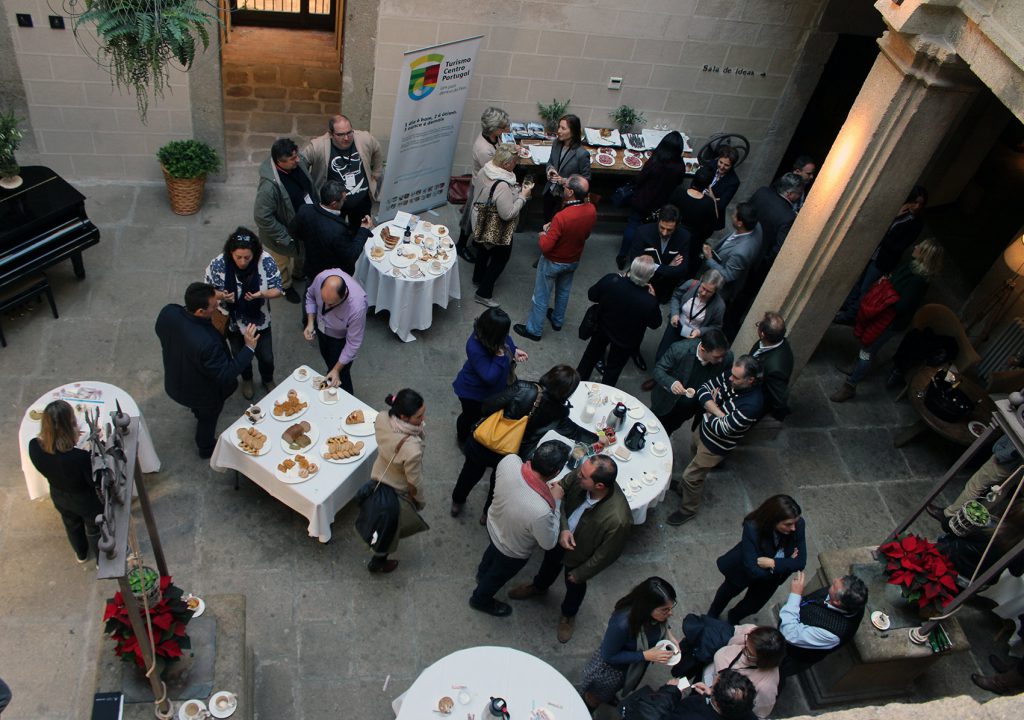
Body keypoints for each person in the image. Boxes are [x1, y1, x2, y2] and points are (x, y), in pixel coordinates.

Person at [507, 455, 633, 644]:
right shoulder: (581, 476)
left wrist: (581, 573)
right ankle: (539, 587)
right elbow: (560, 490)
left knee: (574, 586)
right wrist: (564, 528)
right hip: (559, 538)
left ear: (599, 486)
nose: (577, 476)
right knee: (548, 565)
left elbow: (607, 554)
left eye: (583, 476)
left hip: (580, 557)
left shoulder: (618, 519)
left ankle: (568, 615)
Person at [451, 365, 597, 522]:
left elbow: (487, 406)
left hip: (484, 443)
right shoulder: (560, 413)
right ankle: (487, 514)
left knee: (469, 473)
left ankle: (457, 503)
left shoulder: (523, 388)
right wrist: (597, 439)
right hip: (512, 455)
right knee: (499, 484)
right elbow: (573, 431)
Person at [831, 237, 944, 402]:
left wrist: (885, 294)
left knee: (868, 351)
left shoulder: (917, 280)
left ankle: (850, 386)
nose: (916, 245)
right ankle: (855, 367)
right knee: (867, 344)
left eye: (920, 246)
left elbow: (901, 305)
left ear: (924, 255)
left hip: (889, 321)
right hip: (883, 316)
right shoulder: (912, 267)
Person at [468, 440, 570, 617]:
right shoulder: (542, 510)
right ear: (556, 472)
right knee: (497, 576)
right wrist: (557, 500)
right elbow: (548, 542)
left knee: (491, 554)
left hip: (494, 524)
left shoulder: (510, 461)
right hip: (512, 549)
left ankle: (482, 573)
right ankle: (480, 599)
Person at [156, 283, 259, 458]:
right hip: (202, 394)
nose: (216, 307)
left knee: (200, 411)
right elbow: (225, 373)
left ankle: (196, 412)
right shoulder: (207, 342)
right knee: (207, 420)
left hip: (175, 381)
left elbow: (160, 331)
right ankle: (206, 448)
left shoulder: (169, 313)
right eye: (213, 306)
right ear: (200, 312)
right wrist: (249, 348)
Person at [668, 356, 765, 526]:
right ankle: (683, 488)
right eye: (732, 375)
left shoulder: (752, 405)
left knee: (692, 476)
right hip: (703, 431)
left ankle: (688, 509)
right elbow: (703, 390)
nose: (729, 378)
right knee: (693, 461)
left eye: (735, 377)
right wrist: (720, 413)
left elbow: (723, 429)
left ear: (750, 380)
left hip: (714, 446)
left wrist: (710, 408)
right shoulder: (733, 376)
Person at [514, 174, 596, 342]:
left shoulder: (562, 217)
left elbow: (545, 246)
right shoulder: (591, 209)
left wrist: (544, 234)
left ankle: (534, 330)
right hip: (573, 259)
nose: (563, 187)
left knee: (541, 296)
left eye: (565, 186)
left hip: (553, 261)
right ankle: (557, 320)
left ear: (571, 192)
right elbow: (585, 234)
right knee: (564, 291)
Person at [203, 228, 283, 400]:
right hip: (233, 321)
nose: (242, 262)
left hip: (259, 320)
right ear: (230, 252)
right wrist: (223, 295)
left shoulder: (265, 261)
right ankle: (247, 379)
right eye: (238, 257)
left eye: (247, 257)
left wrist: (262, 294)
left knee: (266, 356)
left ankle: (267, 379)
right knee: (240, 354)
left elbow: (277, 289)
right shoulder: (218, 264)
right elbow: (208, 290)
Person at [576, 577, 679, 709]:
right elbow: (609, 656)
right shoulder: (621, 624)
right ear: (648, 606)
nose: (670, 613)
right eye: (665, 610)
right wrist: (645, 656)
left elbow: (662, 624)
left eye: (671, 607)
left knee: (611, 692)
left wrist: (669, 635)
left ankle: (608, 696)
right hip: (611, 672)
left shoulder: (652, 615)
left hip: (628, 669)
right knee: (595, 698)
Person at [835, 186, 927, 325]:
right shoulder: (900, 211)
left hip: (884, 259)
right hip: (872, 253)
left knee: (866, 288)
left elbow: (899, 246)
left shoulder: (916, 223)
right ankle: (846, 307)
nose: (917, 206)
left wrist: (883, 237)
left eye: (921, 204)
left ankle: (849, 316)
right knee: (857, 283)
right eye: (915, 202)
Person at [708, 494, 807, 624]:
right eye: (788, 524)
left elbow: (800, 562)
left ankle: (732, 618)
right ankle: (712, 614)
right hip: (743, 570)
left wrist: (772, 563)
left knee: (752, 606)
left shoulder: (798, 524)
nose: (793, 528)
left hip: (771, 579)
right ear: (773, 520)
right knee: (727, 592)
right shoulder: (752, 527)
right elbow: (753, 569)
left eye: (795, 523)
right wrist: (787, 563)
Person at [28, 400, 103, 564]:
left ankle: (81, 553)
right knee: (94, 528)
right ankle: (100, 559)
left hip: (59, 495)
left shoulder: (34, 446)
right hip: (85, 500)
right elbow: (93, 481)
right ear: (69, 427)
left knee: (72, 525)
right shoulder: (79, 458)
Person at [364, 389, 427, 573]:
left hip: (378, 475)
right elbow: (414, 482)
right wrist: (419, 501)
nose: (423, 419)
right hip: (396, 490)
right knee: (388, 530)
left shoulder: (383, 418)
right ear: (403, 416)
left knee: (378, 519)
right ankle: (378, 561)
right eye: (418, 416)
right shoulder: (412, 448)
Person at [577, 256, 663, 388]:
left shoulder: (612, 281)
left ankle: (576, 387)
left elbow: (592, 295)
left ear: (631, 269)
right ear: (650, 276)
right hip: (626, 340)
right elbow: (655, 323)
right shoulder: (649, 301)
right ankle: (604, 396)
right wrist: (653, 298)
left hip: (602, 329)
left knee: (589, 358)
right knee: (613, 370)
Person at [254, 137, 318, 303]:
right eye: (292, 159)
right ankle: (285, 286)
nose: (299, 159)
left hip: (303, 227)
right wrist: (285, 236)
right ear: (279, 162)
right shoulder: (269, 187)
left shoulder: (298, 162)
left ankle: (299, 274)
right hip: (282, 236)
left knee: (302, 255)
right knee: (281, 264)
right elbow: (262, 217)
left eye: (297, 155)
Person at [452, 308, 528, 446]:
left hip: (491, 392)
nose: (506, 334)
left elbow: (506, 341)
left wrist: (514, 351)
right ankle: (462, 438)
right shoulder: (474, 346)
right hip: (473, 394)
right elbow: (489, 377)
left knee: (482, 416)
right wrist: (500, 357)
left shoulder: (494, 336)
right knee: (469, 417)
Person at [470, 144, 533, 307]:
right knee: (500, 258)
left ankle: (478, 278)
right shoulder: (503, 185)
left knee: (484, 250)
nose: (516, 163)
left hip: (479, 220)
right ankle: (483, 293)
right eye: (515, 161)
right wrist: (522, 197)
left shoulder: (485, 170)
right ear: (506, 164)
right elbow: (508, 214)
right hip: (495, 227)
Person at [615, 131, 687, 269]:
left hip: (642, 200)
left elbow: (640, 179)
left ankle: (622, 255)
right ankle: (638, 259)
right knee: (650, 231)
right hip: (660, 204)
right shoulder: (679, 166)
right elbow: (678, 183)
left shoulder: (655, 161)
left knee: (632, 226)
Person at [301, 114, 384, 229]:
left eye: (349, 132)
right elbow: (300, 164)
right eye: (340, 134)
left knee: (361, 231)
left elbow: (377, 150)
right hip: (334, 204)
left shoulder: (364, 138)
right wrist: (308, 189)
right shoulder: (317, 146)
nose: (346, 138)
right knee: (334, 233)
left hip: (361, 201)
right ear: (331, 134)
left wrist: (376, 172)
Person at [779, 571, 868, 677]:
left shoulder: (832, 634)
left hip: (789, 654)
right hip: (788, 629)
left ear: (837, 602)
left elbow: (790, 633)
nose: (834, 580)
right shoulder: (842, 599)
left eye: (834, 586)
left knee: (776, 673)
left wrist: (795, 595)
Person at [650, 329, 732, 437]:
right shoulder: (680, 349)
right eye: (717, 357)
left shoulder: (727, 358)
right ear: (703, 349)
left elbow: (724, 380)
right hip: (665, 402)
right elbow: (658, 370)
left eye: (722, 356)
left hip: (688, 410)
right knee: (651, 427)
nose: (721, 360)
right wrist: (672, 383)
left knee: (668, 431)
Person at [288, 179, 374, 279]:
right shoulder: (337, 230)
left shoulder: (305, 210)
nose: (345, 201)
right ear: (334, 204)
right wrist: (363, 229)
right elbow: (351, 256)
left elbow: (292, 231)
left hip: (311, 266)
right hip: (331, 276)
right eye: (343, 200)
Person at [457, 106, 511, 262]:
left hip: (485, 184)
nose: (506, 129)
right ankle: (461, 246)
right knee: (469, 218)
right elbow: (495, 171)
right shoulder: (483, 149)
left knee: (471, 215)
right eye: (503, 127)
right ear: (494, 129)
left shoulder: (493, 138)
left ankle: (472, 241)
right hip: (481, 186)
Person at [303, 269, 368, 394]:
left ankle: (347, 400)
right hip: (321, 330)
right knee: (328, 361)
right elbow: (310, 296)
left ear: (343, 297)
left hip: (340, 340)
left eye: (331, 304)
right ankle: (330, 377)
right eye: (323, 300)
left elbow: (353, 343)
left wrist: (337, 369)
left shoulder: (357, 307)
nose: (326, 305)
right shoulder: (321, 278)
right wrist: (310, 322)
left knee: (342, 374)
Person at [701, 626, 785, 720]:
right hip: (707, 680)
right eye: (746, 641)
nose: (743, 648)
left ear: (762, 661)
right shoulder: (751, 635)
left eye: (749, 653)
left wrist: (713, 696)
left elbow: (757, 715)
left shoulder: (766, 687)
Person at [650, 268, 727, 367]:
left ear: (715, 292)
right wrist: (675, 313)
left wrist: (700, 331)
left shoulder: (719, 306)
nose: (704, 293)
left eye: (709, 292)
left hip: (693, 335)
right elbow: (676, 297)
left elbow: (716, 327)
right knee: (662, 353)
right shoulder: (691, 284)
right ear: (701, 280)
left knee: (680, 360)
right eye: (703, 288)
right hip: (676, 325)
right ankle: (656, 374)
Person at [626, 205, 691, 305]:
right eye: (662, 227)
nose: (664, 233)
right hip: (643, 282)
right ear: (658, 221)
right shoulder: (642, 232)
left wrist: (651, 266)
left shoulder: (684, 237)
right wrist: (668, 267)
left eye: (669, 230)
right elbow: (635, 261)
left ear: (677, 226)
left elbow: (681, 270)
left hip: (664, 287)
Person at [702, 203, 762, 304]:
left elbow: (728, 275)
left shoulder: (741, 252)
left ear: (740, 223)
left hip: (717, 287)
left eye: (734, 215)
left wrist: (709, 259)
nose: (732, 216)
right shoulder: (756, 225)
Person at [542, 114, 591, 223]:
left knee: (556, 225)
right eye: (559, 127)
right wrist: (550, 169)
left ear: (573, 132)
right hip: (550, 192)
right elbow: (550, 161)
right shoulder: (556, 143)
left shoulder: (582, 154)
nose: (558, 131)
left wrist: (565, 181)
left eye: (563, 128)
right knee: (546, 220)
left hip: (565, 198)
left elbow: (586, 179)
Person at [749, 312, 794, 421]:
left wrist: (779, 415)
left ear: (762, 334)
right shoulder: (770, 341)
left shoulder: (776, 369)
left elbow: (779, 396)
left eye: (759, 325)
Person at [669, 166, 719, 263]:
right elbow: (712, 226)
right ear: (708, 185)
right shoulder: (708, 204)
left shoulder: (678, 192)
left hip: (672, 233)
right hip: (692, 242)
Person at [708, 145, 742, 231]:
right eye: (720, 162)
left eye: (726, 165)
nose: (722, 167)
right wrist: (715, 199)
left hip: (711, 214)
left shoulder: (733, 181)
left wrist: (712, 197)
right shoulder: (711, 164)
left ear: (732, 166)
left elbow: (722, 205)